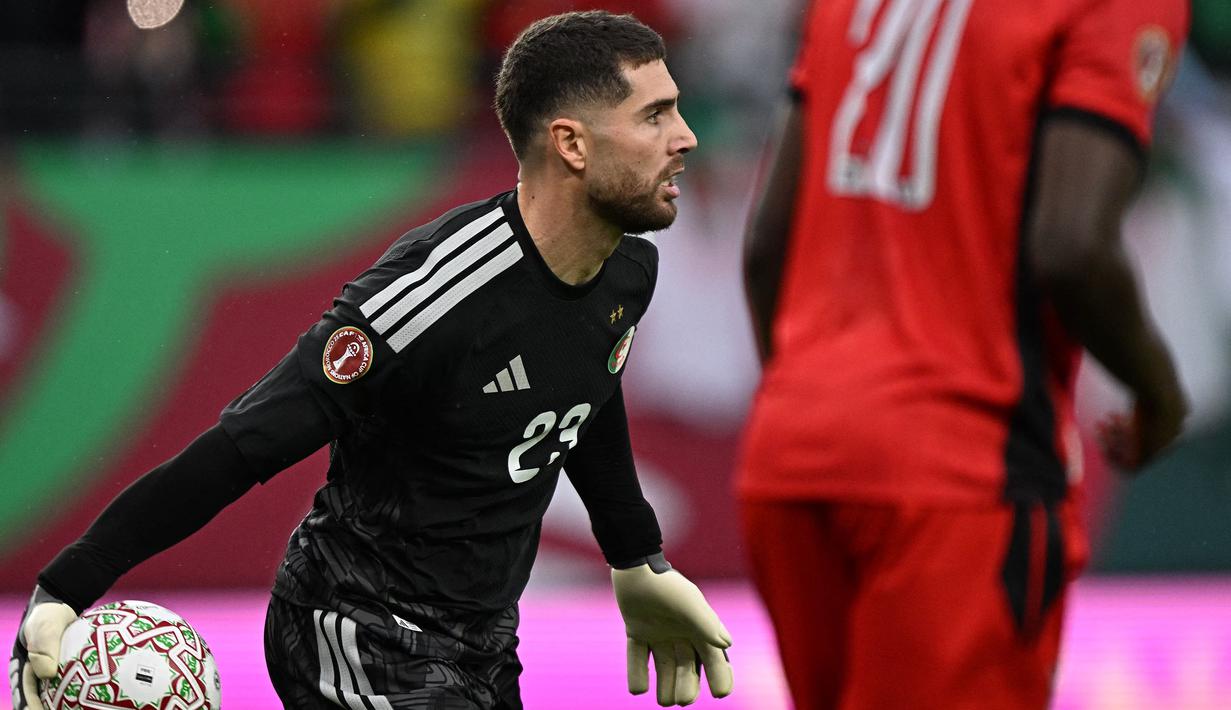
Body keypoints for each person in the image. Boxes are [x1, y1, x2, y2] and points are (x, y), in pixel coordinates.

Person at [11, 11, 733, 710]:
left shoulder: (627, 270)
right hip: (355, 632)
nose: (686, 137)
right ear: (571, 145)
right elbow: (241, 448)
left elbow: (584, 390)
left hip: (480, 643)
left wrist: (635, 556)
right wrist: (65, 587)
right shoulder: (428, 299)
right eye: (654, 115)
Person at [737, 0, 1189, 708]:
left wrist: (819, 406)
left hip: (792, 456)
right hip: (959, 473)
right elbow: (1071, 246)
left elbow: (767, 246)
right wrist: (1160, 395)